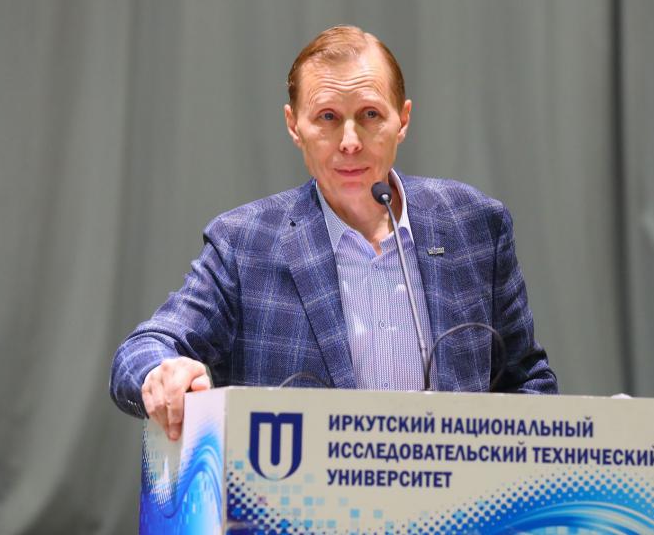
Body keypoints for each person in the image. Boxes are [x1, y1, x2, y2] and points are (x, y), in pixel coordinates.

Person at [110, 25, 557, 440]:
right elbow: (145, 348)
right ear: (294, 125)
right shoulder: (244, 245)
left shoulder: (474, 226)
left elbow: (526, 379)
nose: (349, 141)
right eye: (327, 117)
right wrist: (160, 375)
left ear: (403, 120)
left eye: (370, 114)